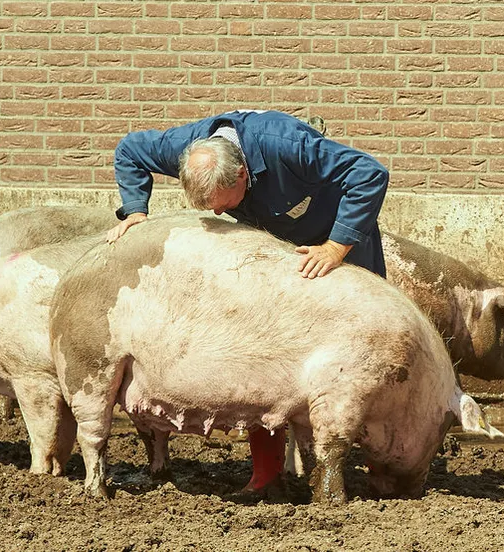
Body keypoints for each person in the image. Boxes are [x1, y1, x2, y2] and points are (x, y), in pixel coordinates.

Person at [106, 109, 389, 494]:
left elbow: (369, 173)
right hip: (270, 262)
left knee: (361, 351)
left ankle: (382, 466)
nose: (220, 213)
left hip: (331, 247)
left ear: (242, 174)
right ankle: (267, 475)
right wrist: (136, 210)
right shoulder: (185, 147)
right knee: (264, 358)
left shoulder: (287, 145)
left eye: (222, 203)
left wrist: (336, 247)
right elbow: (130, 150)